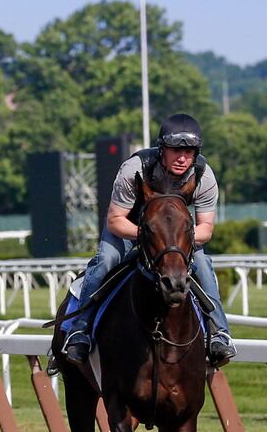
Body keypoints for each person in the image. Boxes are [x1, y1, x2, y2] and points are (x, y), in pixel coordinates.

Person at [63, 113, 237, 367]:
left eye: (189, 152)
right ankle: (80, 330)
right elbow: (115, 220)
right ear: (161, 149)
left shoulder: (204, 176)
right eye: (176, 150)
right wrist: (149, 237)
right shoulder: (134, 169)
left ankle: (220, 333)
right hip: (129, 227)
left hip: (173, 234)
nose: (182, 158)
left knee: (202, 263)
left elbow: (206, 228)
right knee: (106, 260)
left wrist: (172, 241)